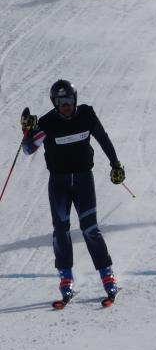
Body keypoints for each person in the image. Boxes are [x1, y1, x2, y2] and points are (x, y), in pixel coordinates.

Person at [20, 79, 125, 303]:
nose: (66, 105)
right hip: (58, 184)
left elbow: (103, 138)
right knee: (61, 230)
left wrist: (115, 164)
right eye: (60, 102)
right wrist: (27, 131)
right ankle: (65, 277)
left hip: (83, 180)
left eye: (68, 99)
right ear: (55, 103)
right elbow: (29, 150)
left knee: (90, 229)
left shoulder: (86, 115)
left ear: (75, 99)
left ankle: (107, 274)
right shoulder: (47, 123)